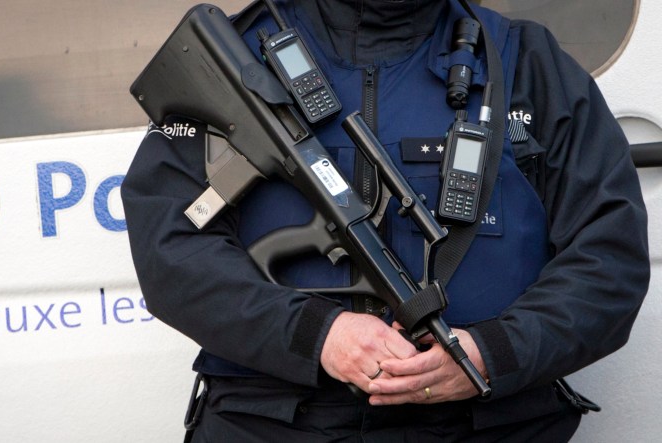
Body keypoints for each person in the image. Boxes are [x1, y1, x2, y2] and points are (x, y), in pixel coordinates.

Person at [121, 0, 650, 440]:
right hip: (274, 422)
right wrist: (318, 336)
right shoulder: (231, 53)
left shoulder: (525, 61)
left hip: (486, 422)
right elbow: (172, 248)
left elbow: (608, 258)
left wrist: (493, 353)